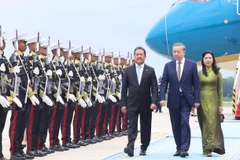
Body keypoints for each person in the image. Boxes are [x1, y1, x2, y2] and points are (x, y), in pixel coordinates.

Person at [160, 42, 200, 158]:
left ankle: (184, 148)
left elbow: (196, 84)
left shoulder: (191, 65)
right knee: (176, 124)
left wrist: (196, 100)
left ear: (184, 52)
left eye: (178, 52)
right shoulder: (168, 66)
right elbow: (164, 84)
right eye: (174, 52)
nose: (176, 54)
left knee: (184, 122)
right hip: (173, 99)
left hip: (186, 100)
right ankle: (178, 147)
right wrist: (162, 98)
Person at [121, 46, 157, 157]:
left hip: (146, 103)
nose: (139, 56)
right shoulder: (128, 70)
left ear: (145, 56)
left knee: (145, 125)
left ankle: (144, 147)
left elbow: (154, 87)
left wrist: (154, 102)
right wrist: (123, 104)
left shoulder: (150, 70)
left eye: (141, 54)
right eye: (137, 54)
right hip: (132, 103)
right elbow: (124, 88)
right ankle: (130, 147)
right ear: (134, 56)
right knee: (132, 125)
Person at [197, 50, 225, 157]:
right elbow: (195, 88)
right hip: (201, 101)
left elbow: (220, 89)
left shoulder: (218, 73)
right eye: (206, 58)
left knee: (213, 124)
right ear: (203, 60)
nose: (208, 60)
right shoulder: (199, 73)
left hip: (214, 101)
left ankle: (213, 146)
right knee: (204, 124)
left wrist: (221, 104)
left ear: (213, 60)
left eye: (210, 58)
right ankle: (206, 148)